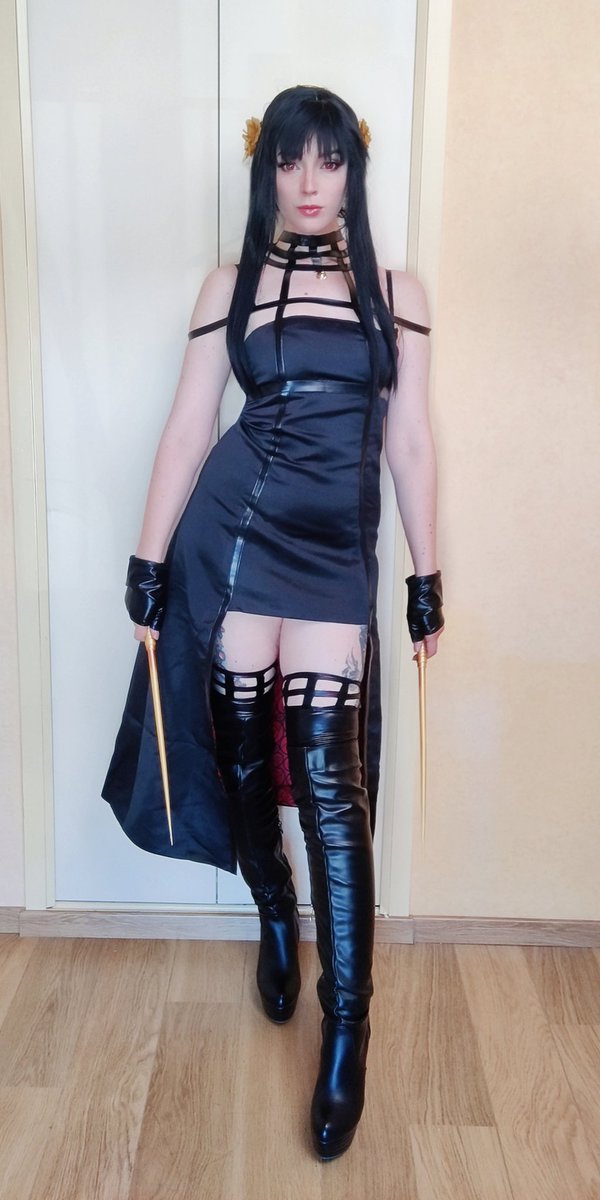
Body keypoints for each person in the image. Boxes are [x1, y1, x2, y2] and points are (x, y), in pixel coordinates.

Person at [102, 85, 444, 1161]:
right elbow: (189, 427)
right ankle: (270, 908)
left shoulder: (397, 294)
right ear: (266, 172)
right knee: (248, 765)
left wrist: (427, 576)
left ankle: (348, 1032)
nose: (308, 182)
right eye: (289, 161)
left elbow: (411, 443)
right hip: (238, 540)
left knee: (334, 793)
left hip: (336, 557)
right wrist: (147, 562)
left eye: (328, 161)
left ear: (353, 171)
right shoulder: (231, 286)